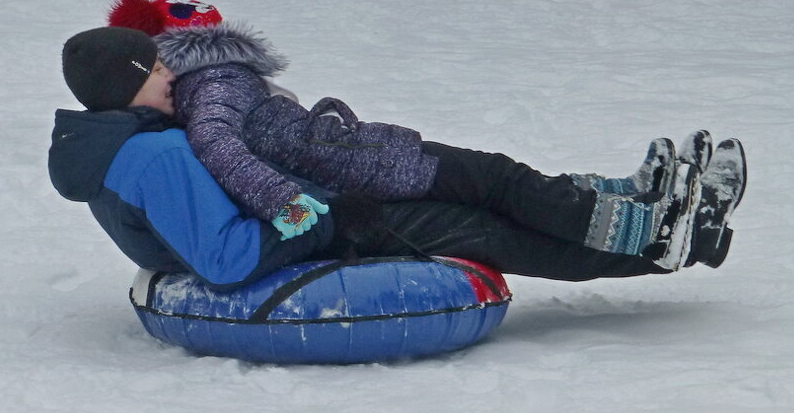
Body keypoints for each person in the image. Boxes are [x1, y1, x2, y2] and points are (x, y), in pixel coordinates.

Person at [48, 25, 746, 292]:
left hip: (340, 198)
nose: (169, 74)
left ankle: (650, 213)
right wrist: (318, 216)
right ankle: (663, 239)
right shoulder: (161, 149)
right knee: (497, 227)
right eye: (154, 68)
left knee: (498, 190)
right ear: (125, 84)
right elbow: (225, 252)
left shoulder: (130, 144)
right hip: (345, 218)